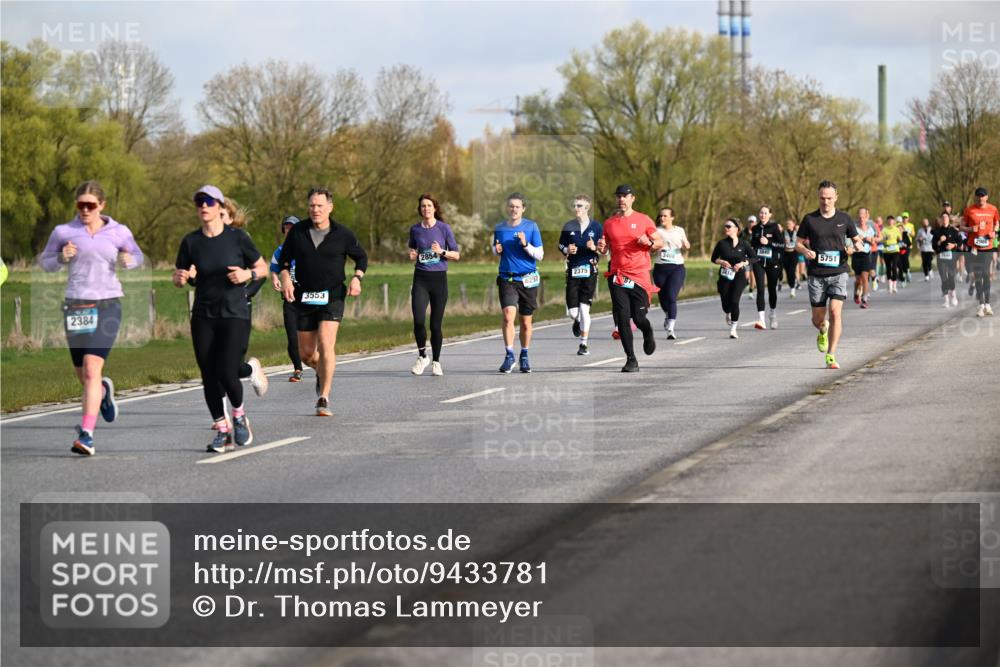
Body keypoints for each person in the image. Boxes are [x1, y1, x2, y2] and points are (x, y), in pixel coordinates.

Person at [38, 180, 144, 456]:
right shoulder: (64, 231)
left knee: (90, 368)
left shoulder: (118, 231)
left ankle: (87, 435)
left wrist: (129, 260)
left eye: (90, 205)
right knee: (84, 375)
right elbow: (45, 262)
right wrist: (61, 257)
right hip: (76, 306)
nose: (85, 210)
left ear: (102, 205)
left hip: (108, 304)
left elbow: (137, 255)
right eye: (80, 205)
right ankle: (103, 392)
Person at [173, 185, 268, 452]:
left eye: (209, 202)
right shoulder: (191, 242)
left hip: (234, 313)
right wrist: (180, 278)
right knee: (208, 374)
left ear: (220, 206)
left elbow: (262, 268)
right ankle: (222, 430)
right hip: (203, 315)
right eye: (199, 202)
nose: (203, 206)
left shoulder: (237, 238)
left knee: (227, 370)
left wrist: (247, 275)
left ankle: (238, 415)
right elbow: (180, 276)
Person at [278, 187, 368, 414]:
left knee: (326, 343)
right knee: (306, 354)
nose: (315, 210)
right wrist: (286, 279)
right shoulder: (298, 232)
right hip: (304, 297)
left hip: (332, 296)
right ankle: (323, 370)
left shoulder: (343, 234)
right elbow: (284, 261)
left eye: (319, 205)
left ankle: (323, 397)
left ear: (330, 207)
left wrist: (357, 278)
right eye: (311, 206)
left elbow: (361, 258)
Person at [795, 180, 865, 370]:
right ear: (818, 198)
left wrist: (856, 247)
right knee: (817, 319)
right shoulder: (810, 219)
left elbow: (857, 240)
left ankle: (831, 355)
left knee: (835, 311)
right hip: (816, 274)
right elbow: (798, 243)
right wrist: (805, 250)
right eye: (822, 198)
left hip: (839, 272)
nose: (825, 202)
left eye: (829, 198)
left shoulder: (844, 218)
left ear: (836, 198)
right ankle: (822, 329)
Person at [596, 184, 662, 372]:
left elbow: (659, 242)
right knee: (622, 318)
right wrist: (602, 248)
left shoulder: (643, 219)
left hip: (639, 275)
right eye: (619, 196)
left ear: (632, 198)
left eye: (625, 196)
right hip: (617, 275)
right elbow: (605, 248)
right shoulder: (609, 223)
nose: (621, 199)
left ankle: (648, 332)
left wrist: (649, 242)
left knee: (639, 318)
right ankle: (631, 359)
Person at [408, 194, 460, 375]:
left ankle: (436, 361)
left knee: (435, 325)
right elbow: (413, 249)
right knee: (418, 320)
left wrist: (442, 251)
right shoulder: (415, 230)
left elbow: (456, 254)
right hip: (420, 278)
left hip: (439, 280)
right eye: (423, 206)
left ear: (435, 208)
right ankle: (423, 356)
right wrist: (412, 255)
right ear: (420, 209)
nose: (426, 209)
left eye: (429, 205)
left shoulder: (444, 228)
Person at [493, 192, 543, 373]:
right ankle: (509, 355)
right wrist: (496, 250)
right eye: (511, 206)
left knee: (525, 322)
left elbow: (540, 255)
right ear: (507, 208)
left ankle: (524, 355)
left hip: (528, 279)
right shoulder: (499, 228)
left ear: (523, 209)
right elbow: (496, 249)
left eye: (517, 206)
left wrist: (525, 244)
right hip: (508, 278)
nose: (514, 209)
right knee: (508, 316)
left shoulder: (531, 227)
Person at [558, 195, 602, 355]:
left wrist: (594, 247)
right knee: (573, 313)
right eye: (575, 205)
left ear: (587, 207)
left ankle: (583, 344)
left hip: (590, 271)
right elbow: (560, 244)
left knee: (584, 310)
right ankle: (576, 321)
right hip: (573, 271)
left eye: (580, 206)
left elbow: (604, 249)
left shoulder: (596, 227)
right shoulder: (568, 226)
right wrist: (567, 250)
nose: (576, 208)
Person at [270, 216, 304, 382]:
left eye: (293, 227)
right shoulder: (280, 250)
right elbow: (274, 269)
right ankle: (297, 368)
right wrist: (275, 278)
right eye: (287, 227)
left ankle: (319, 364)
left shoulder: (307, 247)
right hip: (290, 299)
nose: (289, 230)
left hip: (309, 299)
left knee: (310, 337)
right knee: (292, 336)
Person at [711, 218, 755, 339]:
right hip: (725, 276)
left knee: (735, 301)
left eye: (728, 226)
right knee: (726, 305)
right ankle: (728, 312)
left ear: (736, 229)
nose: (726, 228)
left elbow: (754, 258)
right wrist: (722, 262)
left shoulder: (744, 244)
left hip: (739, 275)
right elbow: (713, 258)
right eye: (725, 226)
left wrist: (742, 264)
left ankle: (734, 329)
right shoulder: (721, 243)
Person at [651, 207, 689, 340]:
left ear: (672, 217)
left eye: (665, 216)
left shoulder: (679, 230)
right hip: (660, 268)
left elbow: (686, 244)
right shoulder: (656, 231)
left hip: (677, 267)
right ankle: (668, 315)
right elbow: (651, 249)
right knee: (663, 298)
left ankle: (671, 329)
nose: (662, 218)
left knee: (672, 296)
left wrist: (686, 244)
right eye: (661, 216)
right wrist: (655, 248)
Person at [961, 186, 999, 317]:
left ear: (986, 197)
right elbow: (961, 227)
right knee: (977, 274)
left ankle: (987, 304)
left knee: (985, 273)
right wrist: (971, 229)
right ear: (975, 197)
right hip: (974, 247)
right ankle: (981, 305)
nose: (980, 198)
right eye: (978, 196)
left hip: (987, 247)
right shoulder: (969, 210)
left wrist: (994, 232)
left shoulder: (993, 209)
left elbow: (997, 224)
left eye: (983, 196)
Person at [749, 205, 783, 329]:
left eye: (765, 213)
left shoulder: (774, 228)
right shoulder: (755, 228)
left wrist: (768, 243)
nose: (763, 215)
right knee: (760, 289)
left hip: (772, 263)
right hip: (758, 262)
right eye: (761, 213)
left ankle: (772, 314)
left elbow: (781, 245)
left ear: (770, 215)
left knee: (772, 289)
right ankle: (761, 319)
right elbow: (752, 245)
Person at [851, 207, 879, 309]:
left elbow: (873, 242)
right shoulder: (854, 228)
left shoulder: (870, 229)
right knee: (858, 280)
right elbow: (851, 240)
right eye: (860, 217)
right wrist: (860, 238)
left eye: (863, 217)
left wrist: (869, 239)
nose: (861, 219)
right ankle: (856, 292)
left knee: (865, 278)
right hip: (856, 255)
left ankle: (864, 299)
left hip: (866, 255)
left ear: (867, 217)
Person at [933, 213, 962, 308]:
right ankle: (946, 300)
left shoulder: (954, 231)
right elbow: (933, 245)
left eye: (946, 217)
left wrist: (953, 245)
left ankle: (953, 294)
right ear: (941, 220)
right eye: (943, 218)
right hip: (941, 258)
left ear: (948, 219)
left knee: (951, 277)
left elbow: (960, 242)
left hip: (951, 258)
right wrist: (939, 241)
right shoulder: (937, 232)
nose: (945, 219)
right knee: (943, 278)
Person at [881, 216, 903, 293]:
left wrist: (901, 232)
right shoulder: (884, 230)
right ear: (887, 221)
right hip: (887, 250)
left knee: (894, 267)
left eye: (891, 220)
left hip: (895, 250)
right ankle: (889, 285)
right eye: (889, 220)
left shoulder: (896, 229)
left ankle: (894, 285)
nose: (890, 221)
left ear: (894, 221)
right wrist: (885, 239)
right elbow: (881, 239)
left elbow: (900, 239)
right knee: (888, 268)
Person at [781, 219, 800, 298]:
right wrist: (783, 243)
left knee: (792, 270)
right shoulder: (783, 233)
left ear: (793, 224)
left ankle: (792, 289)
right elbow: (780, 242)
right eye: (787, 224)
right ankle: (792, 284)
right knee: (788, 272)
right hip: (786, 254)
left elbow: (801, 242)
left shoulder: (797, 233)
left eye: (790, 223)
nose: (788, 225)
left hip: (794, 253)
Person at [899, 212, 915, 286]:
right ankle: (904, 272)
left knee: (906, 258)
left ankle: (907, 271)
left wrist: (907, 232)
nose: (904, 219)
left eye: (906, 217)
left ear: (908, 218)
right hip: (900, 246)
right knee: (901, 261)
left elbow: (913, 234)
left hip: (908, 245)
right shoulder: (899, 225)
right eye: (903, 218)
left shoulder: (911, 225)